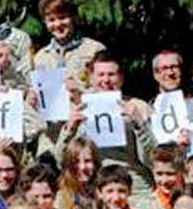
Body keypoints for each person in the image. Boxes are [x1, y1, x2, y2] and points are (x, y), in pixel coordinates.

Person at [58, 51, 156, 194]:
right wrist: (69, 129)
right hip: (92, 186)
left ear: (121, 78)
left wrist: (139, 126)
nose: (106, 80)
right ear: (91, 78)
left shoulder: (138, 107)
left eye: (111, 74)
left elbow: (153, 159)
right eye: (100, 75)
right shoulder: (79, 110)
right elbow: (60, 160)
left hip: (134, 187)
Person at [32, 0, 105, 91]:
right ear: (45, 22)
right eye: (51, 20)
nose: (57, 24)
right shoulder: (40, 58)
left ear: (73, 18)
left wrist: (79, 91)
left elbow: (106, 89)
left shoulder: (94, 50)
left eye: (62, 18)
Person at [131, 144, 184, 209]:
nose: (164, 180)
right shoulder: (144, 207)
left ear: (182, 172)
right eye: (159, 174)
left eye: (170, 174)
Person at [55, 136, 100, 209]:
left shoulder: (103, 191)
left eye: (87, 161)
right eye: (76, 162)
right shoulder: (63, 196)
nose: (82, 167)